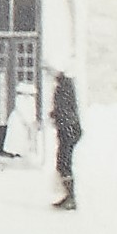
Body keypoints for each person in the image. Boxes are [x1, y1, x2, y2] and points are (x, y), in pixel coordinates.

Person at [49, 67, 82, 210]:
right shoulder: (65, 85)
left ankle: (71, 198)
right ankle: (68, 196)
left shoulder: (63, 87)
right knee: (63, 163)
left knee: (64, 163)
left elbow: (65, 110)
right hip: (68, 129)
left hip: (68, 130)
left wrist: (55, 115)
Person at [3, 81, 38, 160]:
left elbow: (31, 112)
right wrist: (26, 121)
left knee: (22, 137)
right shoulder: (20, 99)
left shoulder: (30, 100)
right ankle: (13, 152)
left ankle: (20, 152)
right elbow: (21, 111)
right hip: (18, 121)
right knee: (16, 136)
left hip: (24, 122)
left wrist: (31, 121)